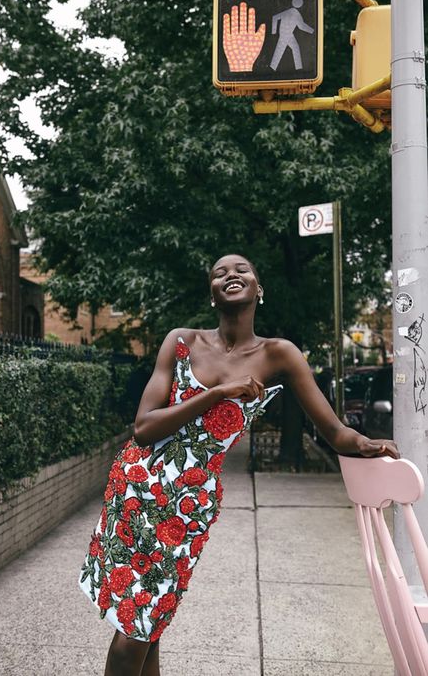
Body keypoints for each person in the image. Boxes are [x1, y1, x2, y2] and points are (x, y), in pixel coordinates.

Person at [79, 253, 399, 676]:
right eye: (219, 272)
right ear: (212, 294)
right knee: (138, 630)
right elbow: (144, 427)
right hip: (136, 489)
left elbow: (335, 431)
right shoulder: (182, 341)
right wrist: (217, 394)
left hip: (187, 506)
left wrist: (366, 444)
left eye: (242, 269)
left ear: (258, 289)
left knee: (147, 623)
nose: (230, 274)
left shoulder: (279, 354)